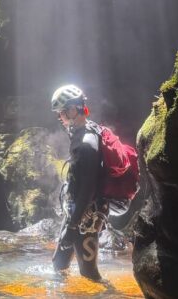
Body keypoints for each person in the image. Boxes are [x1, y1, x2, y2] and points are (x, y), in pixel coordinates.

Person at [50, 84, 105, 282]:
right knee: (58, 265)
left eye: (62, 113)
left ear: (73, 110)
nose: (60, 118)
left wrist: (72, 227)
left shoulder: (87, 143)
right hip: (74, 213)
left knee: (89, 273)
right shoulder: (85, 131)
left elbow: (88, 189)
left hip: (86, 218)